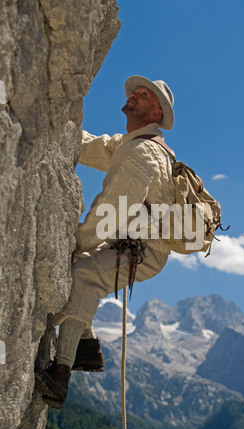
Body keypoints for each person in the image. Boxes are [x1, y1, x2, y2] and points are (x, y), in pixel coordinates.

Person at [35, 76, 176, 409]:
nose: (134, 95)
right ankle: (87, 347)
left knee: (83, 273)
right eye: (134, 91)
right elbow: (90, 147)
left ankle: (60, 376)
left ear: (155, 112)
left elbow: (113, 209)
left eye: (143, 95)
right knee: (86, 270)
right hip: (129, 243)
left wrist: (76, 242)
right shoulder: (131, 143)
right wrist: (56, 126)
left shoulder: (144, 152)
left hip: (144, 252)